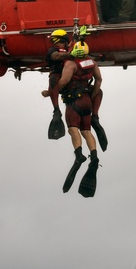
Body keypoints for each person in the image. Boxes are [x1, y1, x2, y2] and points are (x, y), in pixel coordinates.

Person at [56, 41, 102, 197]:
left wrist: (50, 93)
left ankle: (79, 155)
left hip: (74, 100)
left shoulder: (71, 64)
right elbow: (99, 80)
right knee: (86, 131)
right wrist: (94, 94)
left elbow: (63, 81)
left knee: (73, 129)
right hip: (87, 100)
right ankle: (94, 156)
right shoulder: (91, 62)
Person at [42, 29, 70, 140]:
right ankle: (56, 109)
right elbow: (56, 56)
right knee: (53, 79)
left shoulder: (70, 47)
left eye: (55, 40)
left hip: (70, 74)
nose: (53, 42)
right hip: (57, 75)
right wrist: (70, 54)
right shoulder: (53, 50)